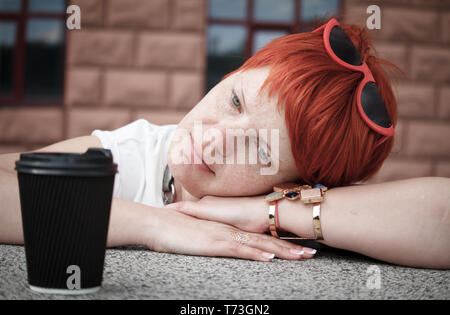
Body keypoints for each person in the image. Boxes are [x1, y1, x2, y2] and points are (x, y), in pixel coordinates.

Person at [0, 20, 449, 269]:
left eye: (261, 150)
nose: (213, 139)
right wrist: (156, 226)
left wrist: (269, 211)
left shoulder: (298, 209)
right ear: (231, 75)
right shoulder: (137, 154)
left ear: (296, 182)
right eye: (235, 100)